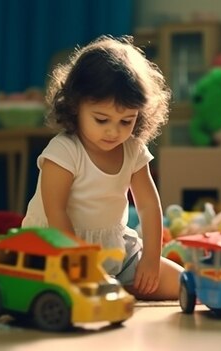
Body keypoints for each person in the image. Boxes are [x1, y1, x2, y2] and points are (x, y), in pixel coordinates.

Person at [22, 35, 183, 300]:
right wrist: (81, 268)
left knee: (182, 284)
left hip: (114, 248)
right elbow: (56, 213)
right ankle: (111, 288)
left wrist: (151, 260)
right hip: (59, 247)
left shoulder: (132, 150)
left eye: (126, 121)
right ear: (75, 106)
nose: (113, 131)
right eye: (101, 119)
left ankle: (117, 284)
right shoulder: (63, 152)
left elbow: (148, 206)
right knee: (66, 298)